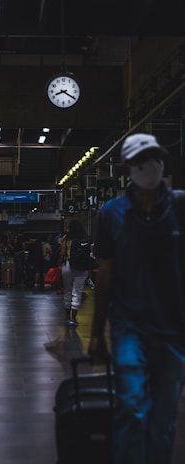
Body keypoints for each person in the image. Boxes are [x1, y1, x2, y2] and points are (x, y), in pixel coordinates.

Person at [88, 132, 185, 464]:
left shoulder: (180, 206)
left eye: (156, 158)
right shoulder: (111, 214)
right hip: (129, 327)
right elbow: (105, 275)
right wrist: (97, 332)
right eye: (143, 161)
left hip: (174, 330)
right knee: (133, 408)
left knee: (163, 420)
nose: (152, 166)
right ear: (128, 166)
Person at [59, 219, 89, 326]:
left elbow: (62, 253)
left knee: (67, 291)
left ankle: (67, 317)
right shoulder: (85, 239)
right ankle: (73, 318)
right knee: (77, 292)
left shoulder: (67, 239)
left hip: (68, 266)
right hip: (82, 268)